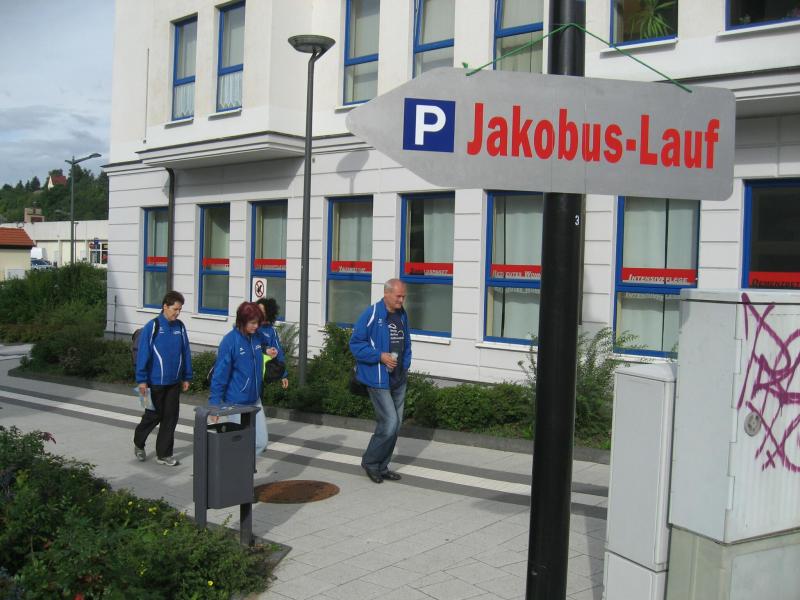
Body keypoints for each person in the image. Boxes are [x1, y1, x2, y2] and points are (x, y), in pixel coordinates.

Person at [349, 278, 412, 483]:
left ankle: (382, 466)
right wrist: (380, 356)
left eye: (403, 296)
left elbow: (407, 342)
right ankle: (370, 462)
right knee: (389, 422)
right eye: (398, 296)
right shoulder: (371, 314)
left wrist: (405, 365)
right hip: (378, 379)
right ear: (386, 294)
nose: (401, 300)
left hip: (398, 378)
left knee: (396, 425)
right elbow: (356, 344)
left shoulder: (402, 314)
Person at [133, 290, 193, 467]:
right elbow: (143, 354)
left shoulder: (180, 327)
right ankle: (139, 443)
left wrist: (187, 376)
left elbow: (185, 352)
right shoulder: (153, 326)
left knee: (170, 418)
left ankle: (164, 454)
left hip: (174, 382)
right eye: (175, 309)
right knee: (152, 415)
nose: (178, 313)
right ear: (165, 307)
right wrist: (142, 380)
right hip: (154, 382)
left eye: (180, 309)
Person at [208, 301, 267, 456]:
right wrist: (214, 406)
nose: (256, 326)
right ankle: (234, 469)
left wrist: (270, 351)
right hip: (236, 402)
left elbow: (266, 346)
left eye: (258, 323)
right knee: (239, 444)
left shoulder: (256, 337)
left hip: (255, 400)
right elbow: (219, 375)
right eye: (252, 323)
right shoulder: (230, 341)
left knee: (261, 443)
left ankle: (242, 468)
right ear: (242, 321)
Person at [255, 297, 289, 390]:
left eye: (262, 311)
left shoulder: (271, 331)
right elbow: (249, 345)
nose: (258, 313)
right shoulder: (252, 327)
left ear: (268, 313)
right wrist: (266, 350)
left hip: (261, 377)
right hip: (246, 373)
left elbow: (279, 353)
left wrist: (283, 375)